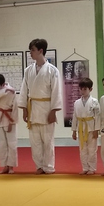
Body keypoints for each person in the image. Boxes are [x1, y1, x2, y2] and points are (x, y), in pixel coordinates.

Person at [18, 38, 63, 174]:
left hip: (46, 108)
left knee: (48, 141)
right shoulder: (28, 70)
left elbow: (56, 91)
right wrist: (24, 109)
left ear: (41, 51)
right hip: (32, 108)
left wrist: (54, 111)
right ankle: (39, 166)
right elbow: (24, 91)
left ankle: (48, 166)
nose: (30, 53)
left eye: (32, 50)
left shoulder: (52, 70)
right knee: (35, 141)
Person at [0, 72, 18, 174]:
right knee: (2, 144)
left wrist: (12, 122)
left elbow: (15, 109)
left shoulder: (11, 93)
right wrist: (6, 90)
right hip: (0, 117)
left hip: (9, 117)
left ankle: (11, 166)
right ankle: (5, 165)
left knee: (12, 144)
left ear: (2, 84)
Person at [71, 77, 100, 175]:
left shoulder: (94, 101)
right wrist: (74, 131)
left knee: (92, 150)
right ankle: (85, 167)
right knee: (82, 149)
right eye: (81, 89)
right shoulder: (77, 103)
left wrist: (96, 130)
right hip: (81, 128)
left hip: (91, 128)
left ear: (90, 89)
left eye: (85, 89)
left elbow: (97, 116)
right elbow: (75, 117)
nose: (82, 91)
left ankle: (92, 168)